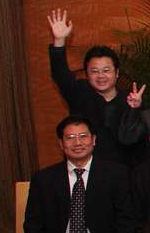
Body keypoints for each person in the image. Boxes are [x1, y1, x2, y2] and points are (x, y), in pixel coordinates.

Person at [47, 9, 130, 164]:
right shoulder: (80, 92)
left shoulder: (130, 100)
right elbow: (60, 74)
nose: (101, 76)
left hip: (121, 171)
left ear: (117, 73)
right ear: (86, 74)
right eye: (94, 71)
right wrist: (59, 41)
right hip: (85, 169)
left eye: (106, 70)